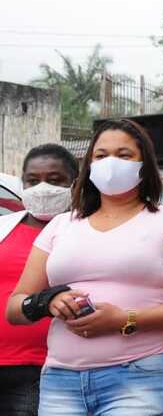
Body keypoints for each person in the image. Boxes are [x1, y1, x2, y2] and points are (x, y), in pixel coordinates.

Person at [5, 120, 163, 415]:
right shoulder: (61, 226)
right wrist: (48, 302)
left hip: (139, 375)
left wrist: (124, 319)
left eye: (124, 155)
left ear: (144, 165)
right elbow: (15, 307)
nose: (111, 163)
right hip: (61, 380)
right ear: (88, 165)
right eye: (101, 156)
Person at [0, 144, 78, 414]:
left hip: (44, 368)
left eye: (55, 180)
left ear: (74, 184)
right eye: (33, 180)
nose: (42, 188)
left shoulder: (86, 233)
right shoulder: (4, 228)